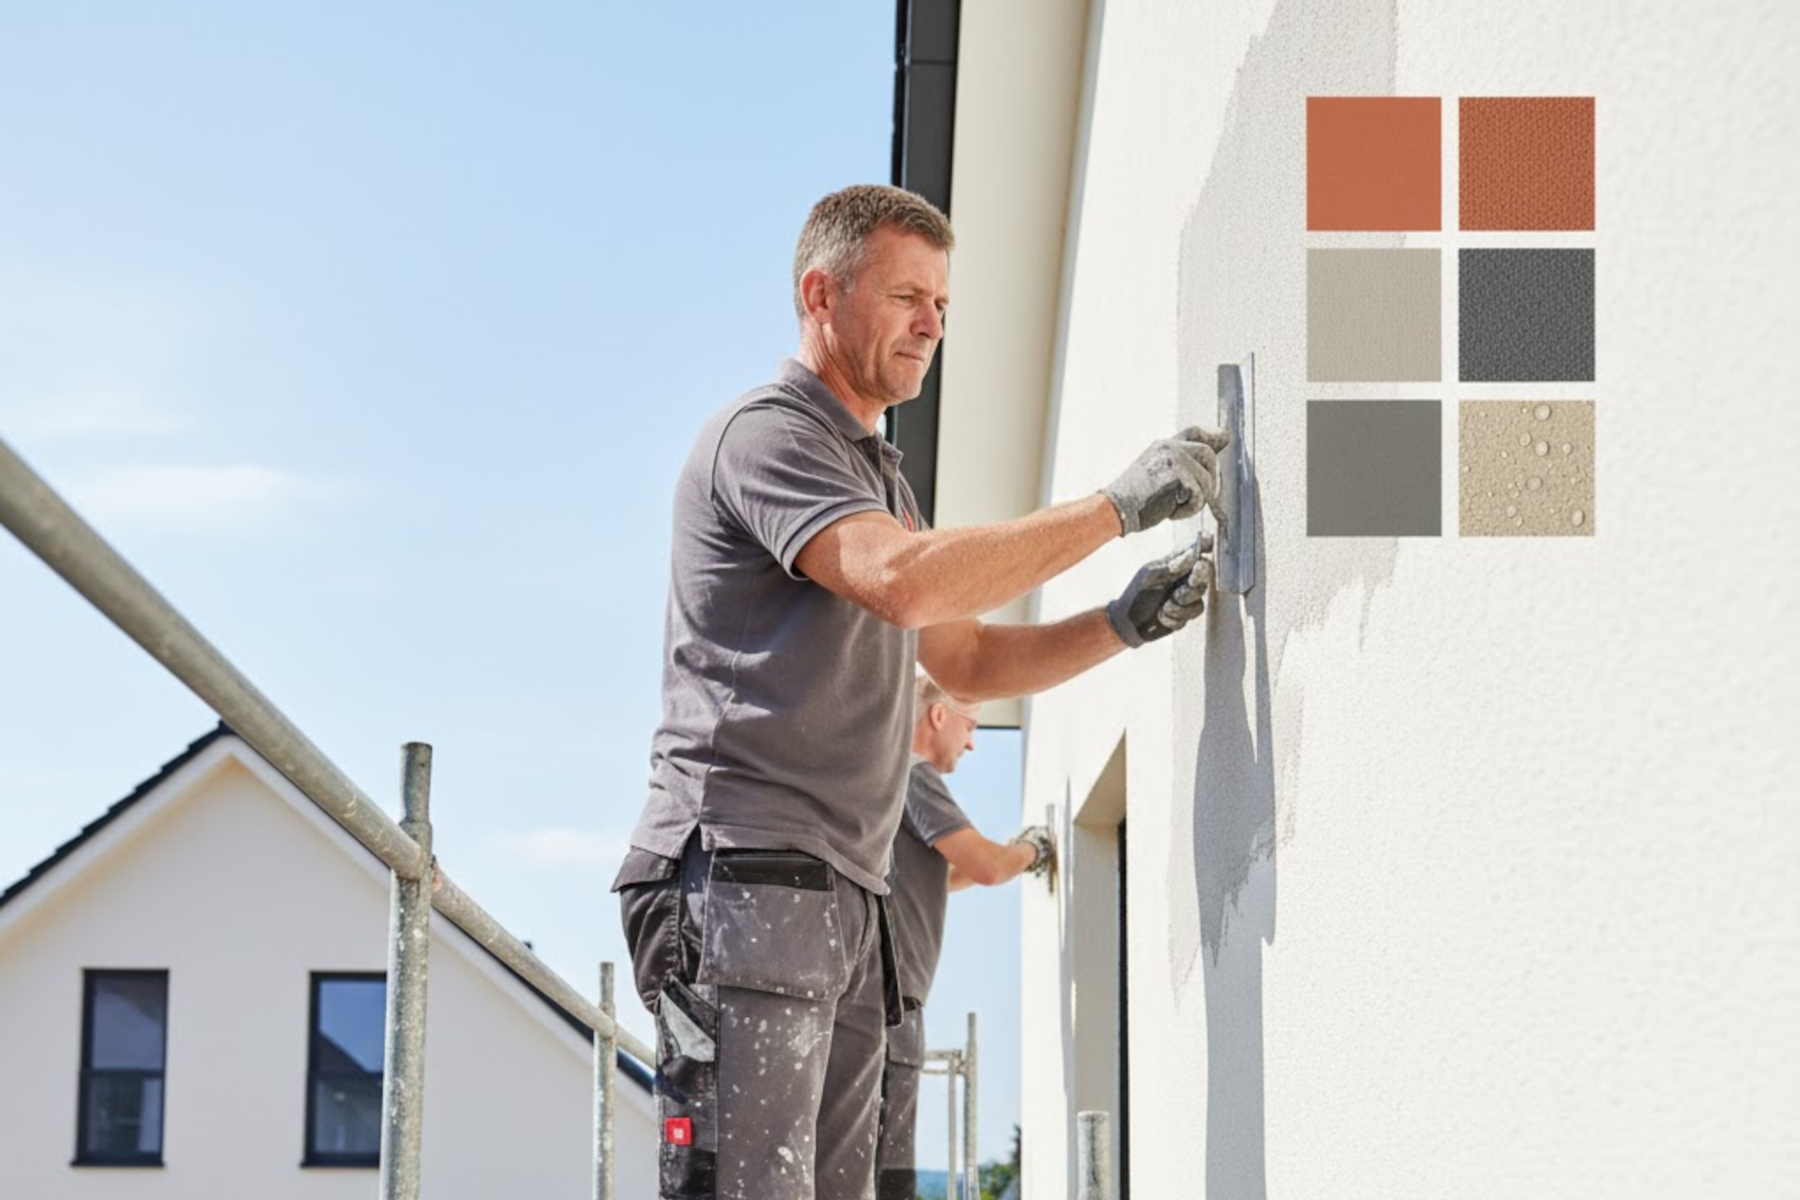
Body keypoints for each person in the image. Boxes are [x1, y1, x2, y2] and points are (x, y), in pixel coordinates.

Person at [612, 182, 1224, 1200]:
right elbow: (899, 583)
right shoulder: (769, 438)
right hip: (739, 874)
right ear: (822, 293)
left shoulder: (880, 482)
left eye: (942, 303)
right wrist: (1116, 508)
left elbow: (970, 660)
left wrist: (1118, 623)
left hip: (841, 894)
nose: (932, 323)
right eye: (907, 297)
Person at [876, 673, 1053, 1200]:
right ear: (938, 716)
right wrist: (1032, 849)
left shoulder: (881, 780)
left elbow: (942, 876)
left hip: (878, 1002)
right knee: (890, 1178)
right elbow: (988, 867)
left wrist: (1002, 858)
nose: (973, 741)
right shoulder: (913, 775)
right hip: (892, 1004)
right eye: (970, 725)